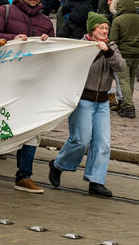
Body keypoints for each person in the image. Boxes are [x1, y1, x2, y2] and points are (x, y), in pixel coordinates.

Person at [0, 0, 54, 193]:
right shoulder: (6, 12)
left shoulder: (46, 22)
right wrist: (13, 39)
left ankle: (24, 176)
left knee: (32, 129)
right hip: (4, 80)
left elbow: (54, 53)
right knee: (2, 126)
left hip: (32, 82)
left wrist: (48, 43)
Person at [49, 12, 124, 198]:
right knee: (80, 140)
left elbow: (121, 66)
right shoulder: (81, 46)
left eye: (107, 28)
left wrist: (107, 51)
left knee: (103, 143)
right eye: (101, 28)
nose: (105, 31)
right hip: (83, 99)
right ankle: (58, 165)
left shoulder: (112, 46)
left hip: (102, 102)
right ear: (92, 29)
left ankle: (96, 181)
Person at [109, 0, 139, 120]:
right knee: (131, 80)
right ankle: (128, 103)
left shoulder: (118, 20)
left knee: (124, 80)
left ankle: (128, 106)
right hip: (137, 54)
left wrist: (114, 54)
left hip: (123, 54)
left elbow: (113, 40)